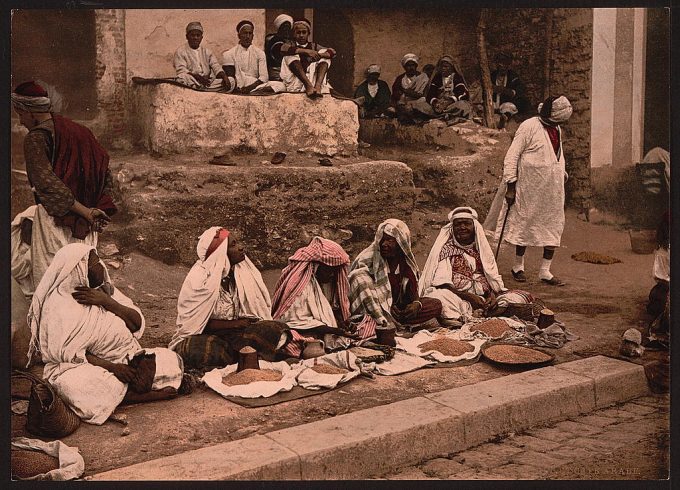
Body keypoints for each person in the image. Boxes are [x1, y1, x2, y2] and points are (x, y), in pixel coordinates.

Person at [26, 244, 186, 425]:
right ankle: (134, 395)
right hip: (83, 367)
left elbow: (137, 323)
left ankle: (129, 383)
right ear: (78, 268)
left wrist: (107, 301)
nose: (101, 266)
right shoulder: (58, 306)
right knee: (76, 386)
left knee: (170, 360)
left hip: (125, 358)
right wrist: (113, 368)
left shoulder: (104, 290)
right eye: (94, 263)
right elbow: (68, 357)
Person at [11, 81, 115, 298]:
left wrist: (85, 212)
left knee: (54, 283)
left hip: (55, 224)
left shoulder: (37, 138)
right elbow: (104, 168)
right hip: (86, 225)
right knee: (81, 280)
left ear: (30, 112)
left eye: (20, 115)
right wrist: (96, 207)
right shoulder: (81, 131)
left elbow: (46, 183)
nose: (21, 122)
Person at [169, 227, 291, 370]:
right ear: (220, 253)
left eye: (238, 243)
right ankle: (242, 358)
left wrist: (245, 324)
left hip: (237, 334)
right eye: (233, 245)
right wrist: (236, 324)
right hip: (210, 336)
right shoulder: (199, 281)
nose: (241, 248)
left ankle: (240, 358)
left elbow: (253, 311)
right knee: (195, 349)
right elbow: (195, 324)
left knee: (277, 329)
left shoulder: (240, 275)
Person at [484, 95, 573, 286]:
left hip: (551, 189)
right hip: (528, 187)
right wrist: (510, 185)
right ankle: (518, 266)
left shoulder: (556, 128)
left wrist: (561, 171)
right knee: (524, 223)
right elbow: (512, 156)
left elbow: (556, 153)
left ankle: (545, 271)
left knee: (553, 225)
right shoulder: (529, 126)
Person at [419, 207, 532, 325]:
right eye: (458, 224)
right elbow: (442, 284)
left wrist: (491, 296)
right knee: (437, 297)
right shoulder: (446, 251)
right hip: (457, 297)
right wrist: (469, 297)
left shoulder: (481, 250)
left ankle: (483, 312)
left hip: (482, 299)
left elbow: (491, 278)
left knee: (517, 297)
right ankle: (468, 316)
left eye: (467, 223)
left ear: (474, 227)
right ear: (452, 229)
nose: (462, 227)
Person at [348, 219, 442, 346]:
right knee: (359, 277)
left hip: (399, 311)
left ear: (400, 243)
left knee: (435, 304)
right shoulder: (369, 259)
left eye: (390, 240)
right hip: (375, 311)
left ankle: (399, 323)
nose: (384, 244)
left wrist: (416, 304)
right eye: (382, 239)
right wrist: (385, 306)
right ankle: (385, 325)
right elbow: (361, 287)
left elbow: (413, 292)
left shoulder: (404, 262)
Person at [271, 237, 367, 356]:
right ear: (316, 266)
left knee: (367, 324)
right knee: (289, 341)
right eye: (329, 270)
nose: (332, 275)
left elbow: (331, 310)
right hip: (300, 330)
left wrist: (343, 323)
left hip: (324, 329)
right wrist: (336, 331)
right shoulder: (300, 286)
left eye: (335, 271)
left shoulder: (328, 282)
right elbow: (297, 323)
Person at [279, 18, 336, 98]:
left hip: (313, 79)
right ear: (294, 34)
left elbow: (332, 52)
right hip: (296, 81)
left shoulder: (314, 46)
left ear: (308, 33)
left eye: (304, 32)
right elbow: (283, 48)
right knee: (289, 55)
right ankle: (308, 86)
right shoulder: (291, 44)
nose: (301, 35)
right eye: (298, 32)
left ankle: (318, 86)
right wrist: (307, 52)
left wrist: (319, 55)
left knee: (324, 54)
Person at [174, 21, 231, 91]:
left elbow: (216, 66)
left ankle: (201, 91)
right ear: (187, 37)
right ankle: (203, 91)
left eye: (198, 35)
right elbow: (182, 71)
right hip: (192, 81)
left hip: (206, 83)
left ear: (201, 37)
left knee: (231, 81)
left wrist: (224, 76)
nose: (195, 38)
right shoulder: (180, 51)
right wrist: (197, 77)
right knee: (181, 78)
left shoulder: (207, 52)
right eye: (192, 35)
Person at [221, 20, 269, 94]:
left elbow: (264, 77)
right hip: (239, 84)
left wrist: (250, 88)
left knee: (279, 85)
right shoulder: (230, 53)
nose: (247, 36)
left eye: (250, 33)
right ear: (239, 36)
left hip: (256, 85)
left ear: (253, 36)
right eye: (245, 33)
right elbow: (231, 77)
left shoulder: (260, 53)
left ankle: (254, 90)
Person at [426, 55, 471, 120]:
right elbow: (430, 93)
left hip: (452, 104)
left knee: (463, 105)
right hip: (438, 105)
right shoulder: (437, 77)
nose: (443, 68)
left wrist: (449, 101)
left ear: (452, 68)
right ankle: (444, 115)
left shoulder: (457, 77)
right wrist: (435, 103)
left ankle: (443, 115)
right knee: (421, 102)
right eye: (442, 66)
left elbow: (462, 93)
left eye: (446, 66)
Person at [390, 53, 433, 122]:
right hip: (404, 102)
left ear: (416, 66)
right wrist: (403, 94)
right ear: (405, 67)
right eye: (408, 65)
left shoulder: (423, 77)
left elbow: (425, 93)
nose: (411, 68)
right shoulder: (400, 79)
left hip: (419, 101)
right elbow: (395, 92)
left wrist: (412, 93)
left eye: (412, 65)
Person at [490, 52, 529, 125]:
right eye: (501, 65)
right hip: (494, 103)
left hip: (506, 103)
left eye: (506, 65)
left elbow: (518, 91)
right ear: (497, 65)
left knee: (509, 106)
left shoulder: (513, 76)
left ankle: (505, 117)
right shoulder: (492, 75)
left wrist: (505, 90)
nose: (503, 67)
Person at [264, 14, 294, 81]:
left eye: (288, 28)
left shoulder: (289, 41)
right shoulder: (274, 40)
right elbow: (288, 50)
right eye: (284, 27)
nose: (286, 30)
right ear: (279, 28)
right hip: (276, 75)